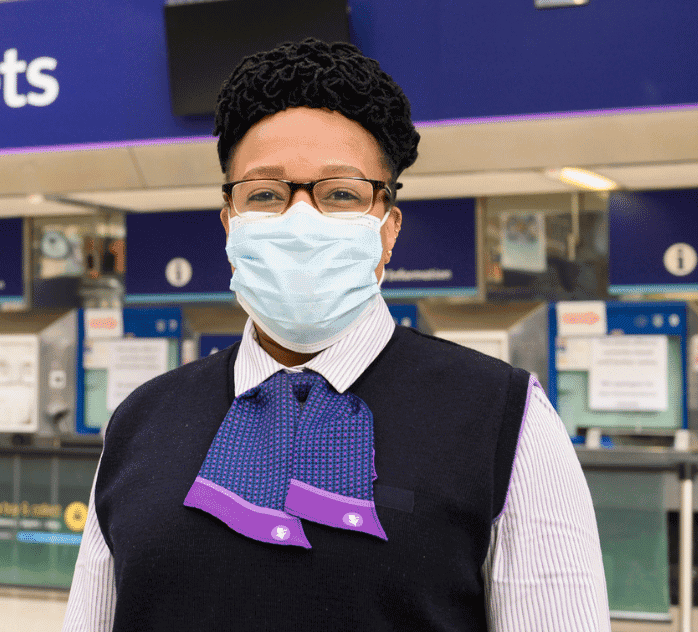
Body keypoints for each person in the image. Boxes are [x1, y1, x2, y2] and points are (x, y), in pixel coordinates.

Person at [62, 39, 609, 631]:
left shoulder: (503, 419)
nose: (300, 219)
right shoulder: (141, 421)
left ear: (388, 228)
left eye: (341, 193)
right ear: (229, 224)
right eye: (265, 194)